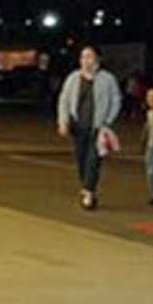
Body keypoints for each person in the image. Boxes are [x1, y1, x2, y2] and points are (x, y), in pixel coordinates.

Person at [57, 44, 123, 211]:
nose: (85, 60)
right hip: (78, 126)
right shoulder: (73, 78)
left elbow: (116, 100)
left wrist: (108, 120)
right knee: (81, 159)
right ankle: (86, 186)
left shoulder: (107, 79)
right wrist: (63, 121)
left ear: (97, 59)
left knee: (94, 160)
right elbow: (64, 100)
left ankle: (88, 191)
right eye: (83, 57)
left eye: (89, 56)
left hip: (98, 128)